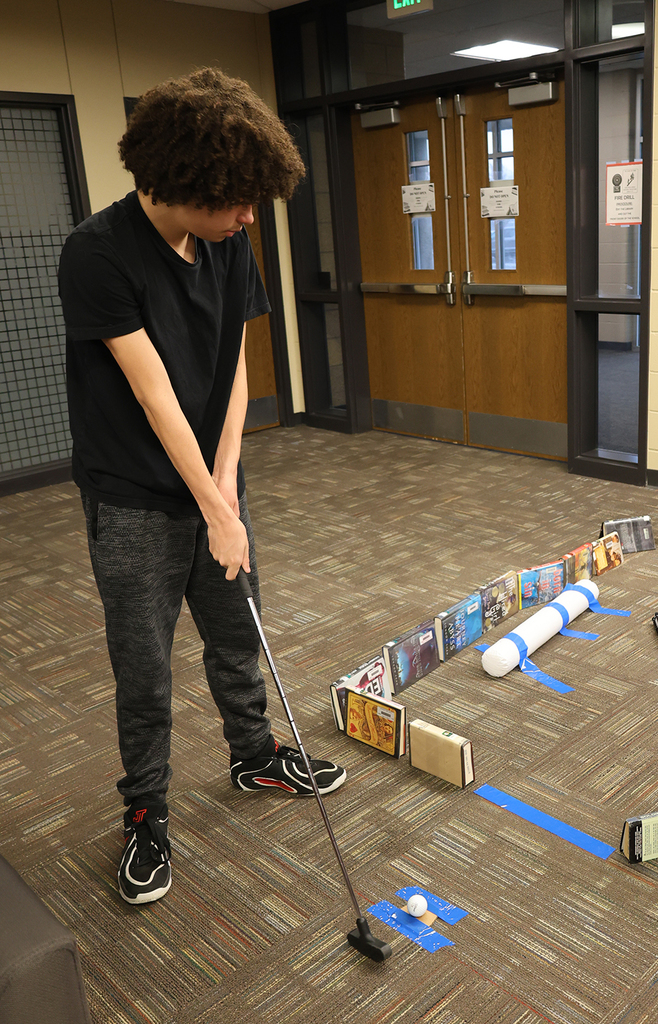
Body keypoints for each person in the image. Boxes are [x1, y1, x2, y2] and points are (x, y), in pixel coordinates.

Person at [58, 67, 346, 906]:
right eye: (238, 200)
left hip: (213, 477)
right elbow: (155, 396)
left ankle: (254, 756)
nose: (250, 215)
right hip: (133, 497)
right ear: (187, 182)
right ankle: (146, 812)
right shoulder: (98, 255)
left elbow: (234, 373)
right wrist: (212, 508)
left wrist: (225, 493)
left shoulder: (228, 241)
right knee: (143, 668)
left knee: (235, 630)